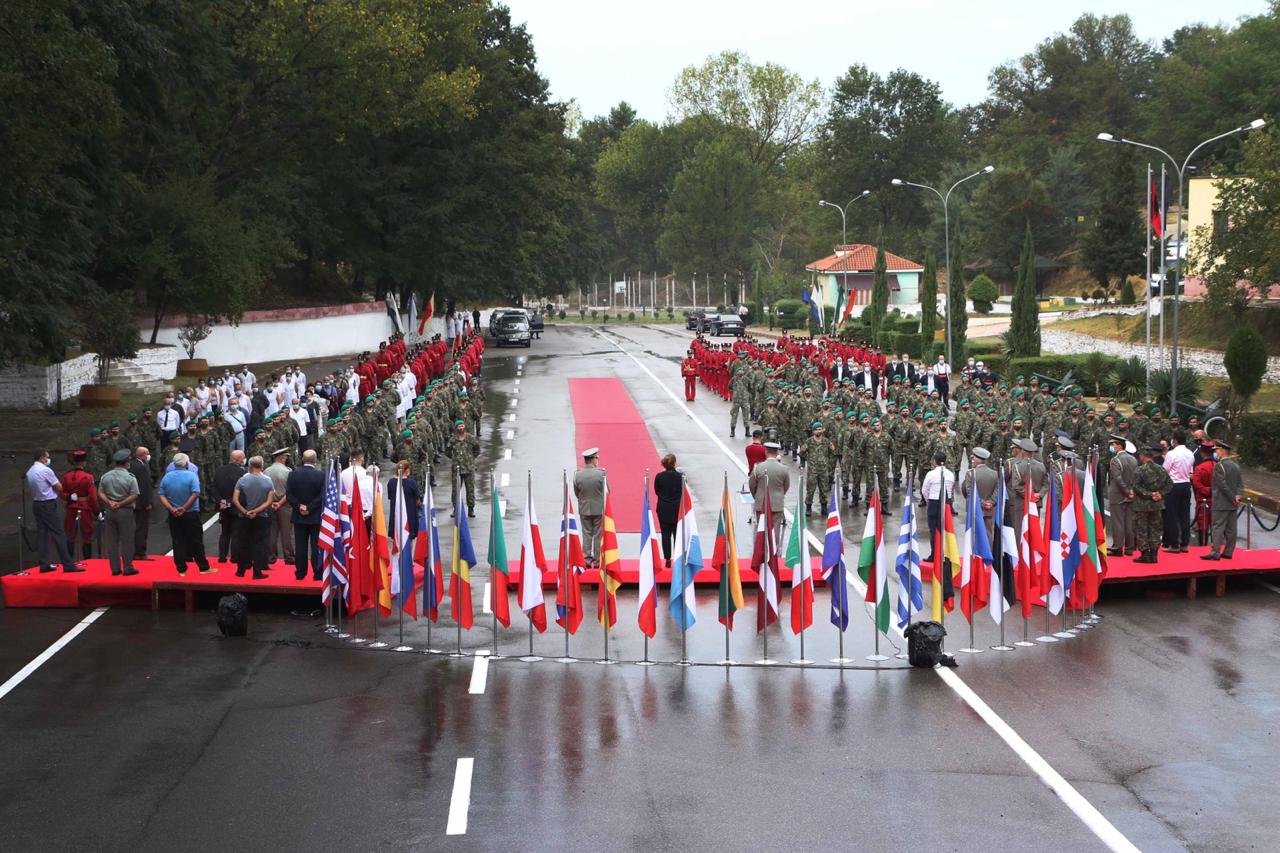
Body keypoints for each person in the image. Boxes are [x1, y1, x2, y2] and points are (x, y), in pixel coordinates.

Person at [157, 453, 213, 576]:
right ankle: (203, 567)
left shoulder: (167, 477)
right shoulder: (192, 476)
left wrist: (171, 508)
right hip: (190, 513)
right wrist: (184, 507)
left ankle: (181, 569)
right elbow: (195, 493)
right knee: (196, 540)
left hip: (174, 514)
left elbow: (162, 494)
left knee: (177, 540)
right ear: (186, 464)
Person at [28, 449, 83, 573]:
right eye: (47, 457)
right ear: (42, 457)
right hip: (48, 504)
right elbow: (59, 487)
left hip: (37, 503)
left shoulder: (30, 471)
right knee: (59, 534)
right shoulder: (45, 470)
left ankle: (44, 564)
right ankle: (68, 564)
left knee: (42, 535)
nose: (48, 459)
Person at [97, 449, 140, 577]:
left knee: (112, 540)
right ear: (127, 462)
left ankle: (115, 568)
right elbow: (134, 495)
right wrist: (120, 503)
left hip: (110, 510)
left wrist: (109, 502)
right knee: (127, 539)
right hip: (125, 510)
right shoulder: (130, 477)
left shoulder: (106, 476)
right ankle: (127, 567)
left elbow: (100, 492)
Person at [286, 449, 327, 581]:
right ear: (315, 460)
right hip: (315, 517)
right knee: (316, 546)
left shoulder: (293, 474)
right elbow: (322, 496)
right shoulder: (321, 475)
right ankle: (317, 572)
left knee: (300, 546)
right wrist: (310, 507)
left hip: (299, 516)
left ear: (303, 460)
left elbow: (289, 495)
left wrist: (299, 507)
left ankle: (300, 572)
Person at [232, 456, 274, 579]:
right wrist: (256, 511)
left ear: (249, 466)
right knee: (259, 544)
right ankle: (257, 572)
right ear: (262, 466)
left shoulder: (242, 480)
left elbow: (235, 500)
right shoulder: (268, 480)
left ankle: (240, 571)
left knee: (243, 543)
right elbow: (269, 501)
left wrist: (246, 512)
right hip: (261, 516)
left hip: (244, 517)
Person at [1132, 446, 1174, 564]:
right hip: (1157, 504)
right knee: (1155, 529)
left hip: (1142, 505)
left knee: (1142, 529)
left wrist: (1149, 494)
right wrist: (1160, 493)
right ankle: (1154, 554)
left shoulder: (1139, 470)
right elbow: (1170, 484)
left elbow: (1136, 486)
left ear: (1143, 456)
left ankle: (1145, 554)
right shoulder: (1161, 469)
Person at [1203, 440, 1242, 561]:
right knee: (1231, 529)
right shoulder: (1236, 466)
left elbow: (1222, 486)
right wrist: (1237, 496)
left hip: (1221, 502)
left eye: (1216, 450)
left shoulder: (1219, 466)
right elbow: (1240, 483)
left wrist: (1232, 498)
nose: (1216, 453)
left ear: (1221, 451)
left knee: (1218, 527)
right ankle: (1228, 552)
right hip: (1233, 503)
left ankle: (1215, 551)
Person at [61, 450, 99, 562]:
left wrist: (68, 497)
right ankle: (87, 561)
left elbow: (61, 492)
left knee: (70, 535)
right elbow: (93, 497)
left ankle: (69, 561)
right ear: (84, 463)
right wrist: (97, 511)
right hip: (84, 508)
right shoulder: (88, 477)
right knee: (87, 536)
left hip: (71, 507)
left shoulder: (67, 476)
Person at [748, 441, 789, 540]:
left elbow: (752, 485)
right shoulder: (784, 469)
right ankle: (773, 554)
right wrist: (779, 495)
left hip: (761, 502)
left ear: (765, 452)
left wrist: (757, 496)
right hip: (777, 503)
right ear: (777, 453)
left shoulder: (758, 467)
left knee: (761, 531)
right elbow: (786, 486)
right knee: (775, 531)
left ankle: (762, 553)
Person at [1162, 429, 1195, 553]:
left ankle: (1174, 544)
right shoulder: (1190, 453)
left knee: (1172, 516)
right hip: (1186, 484)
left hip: (1174, 485)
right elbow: (1190, 470)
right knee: (1185, 516)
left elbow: (1165, 470)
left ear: (1175, 440)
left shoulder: (1171, 454)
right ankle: (1184, 544)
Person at [213, 450, 247, 563]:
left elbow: (214, 488)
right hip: (236, 507)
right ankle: (235, 557)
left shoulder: (219, 470)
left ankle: (222, 556)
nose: (244, 459)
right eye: (243, 457)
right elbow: (242, 493)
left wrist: (221, 501)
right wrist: (231, 503)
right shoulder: (242, 473)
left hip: (223, 507)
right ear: (237, 459)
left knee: (224, 533)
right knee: (236, 533)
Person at [574, 448, 606, 568]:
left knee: (586, 534)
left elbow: (577, 492)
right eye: (597, 458)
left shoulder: (577, 474)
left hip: (584, 508)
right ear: (592, 460)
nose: (597, 460)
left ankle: (587, 560)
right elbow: (607, 491)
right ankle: (597, 561)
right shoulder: (601, 473)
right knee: (598, 535)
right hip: (598, 508)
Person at [920, 452, 955, 561]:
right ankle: (946, 554)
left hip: (934, 502)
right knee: (946, 529)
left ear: (935, 461)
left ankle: (934, 555)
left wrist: (928, 501)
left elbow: (924, 490)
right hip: (946, 502)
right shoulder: (950, 474)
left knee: (933, 530)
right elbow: (951, 490)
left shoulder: (931, 474)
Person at [1106, 436, 1137, 556]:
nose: (1112, 447)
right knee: (1129, 523)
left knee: (1118, 522)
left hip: (1118, 495)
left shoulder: (1115, 460)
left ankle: (1118, 547)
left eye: (1114, 444)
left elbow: (1118, 478)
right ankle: (1129, 548)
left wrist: (1126, 491)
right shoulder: (1133, 459)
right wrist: (1131, 491)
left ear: (1119, 446)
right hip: (1131, 494)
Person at [264, 448, 295, 564]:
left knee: (272, 532)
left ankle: (271, 557)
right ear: (281, 457)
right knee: (286, 532)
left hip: (270, 504)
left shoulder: (266, 471)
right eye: (286, 456)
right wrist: (280, 503)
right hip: (284, 505)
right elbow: (290, 491)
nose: (287, 458)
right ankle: (289, 557)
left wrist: (271, 502)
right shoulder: (288, 471)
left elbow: (265, 489)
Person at [962, 447, 999, 540]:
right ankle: (988, 553)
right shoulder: (994, 473)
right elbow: (997, 490)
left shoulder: (970, 473)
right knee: (988, 533)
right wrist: (990, 502)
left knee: (974, 533)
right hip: (989, 509)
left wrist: (982, 503)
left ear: (976, 460)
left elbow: (969, 492)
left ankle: (976, 554)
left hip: (974, 508)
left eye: (973, 458)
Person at [653, 454, 682, 565]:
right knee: (676, 534)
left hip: (663, 509)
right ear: (674, 463)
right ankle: (678, 556)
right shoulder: (680, 477)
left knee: (665, 534)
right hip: (676, 509)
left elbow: (657, 491)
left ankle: (667, 558)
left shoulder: (659, 477)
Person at [129, 447, 155, 560]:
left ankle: (134, 551)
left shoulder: (131, 465)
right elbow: (144, 487)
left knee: (135, 527)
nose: (148, 456)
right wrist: (148, 503)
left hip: (132, 501)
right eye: (147, 453)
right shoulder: (141, 467)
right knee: (142, 528)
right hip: (141, 503)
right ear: (143, 455)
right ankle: (140, 552)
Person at [1192, 440, 1215, 547]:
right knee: (1215, 524)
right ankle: (1215, 546)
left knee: (1203, 524)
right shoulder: (1218, 466)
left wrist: (1207, 491)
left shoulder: (1199, 468)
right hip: (1216, 499)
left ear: (1202, 453)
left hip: (1203, 499)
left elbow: (1197, 484)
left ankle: (1203, 546)